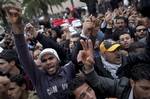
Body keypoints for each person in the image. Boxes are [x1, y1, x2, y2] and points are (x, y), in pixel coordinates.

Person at [4, 4, 76, 99]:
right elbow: (24, 56)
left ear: (58, 60)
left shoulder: (69, 70)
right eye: (44, 60)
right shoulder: (39, 78)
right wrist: (17, 29)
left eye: (51, 58)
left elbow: (59, 49)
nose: (48, 62)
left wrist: (37, 35)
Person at [77, 39, 150, 99]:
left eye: (118, 49)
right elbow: (96, 82)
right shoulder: (94, 63)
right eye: (113, 51)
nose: (117, 53)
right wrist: (88, 68)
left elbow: (146, 55)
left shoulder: (129, 59)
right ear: (103, 54)